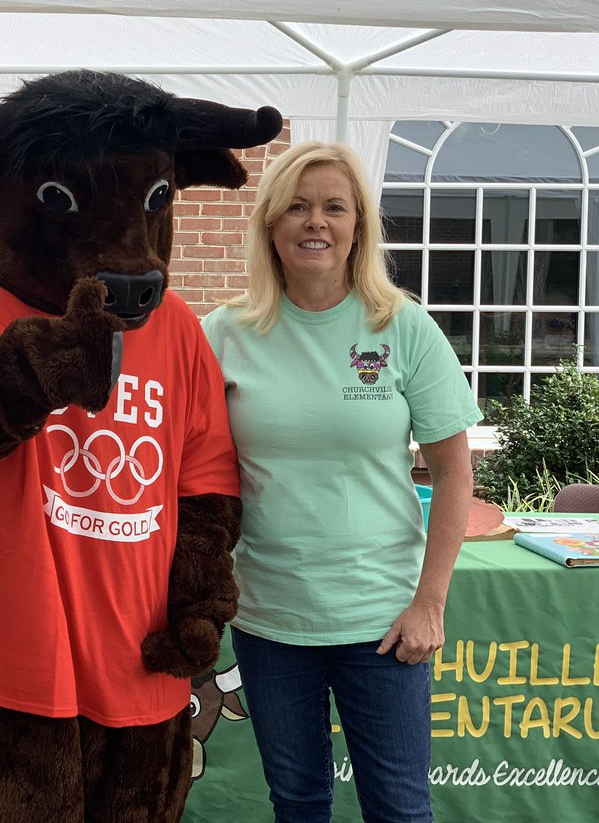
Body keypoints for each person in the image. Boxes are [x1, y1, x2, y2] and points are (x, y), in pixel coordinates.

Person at [202, 141, 481, 823]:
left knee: (399, 808)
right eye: (297, 207)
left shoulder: (403, 327)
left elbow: (454, 474)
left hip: (382, 620)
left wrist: (430, 603)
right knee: (297, 804)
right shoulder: (223, 334)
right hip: (271, 617)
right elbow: (188, 467)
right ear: (271, 223)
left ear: (359, 225)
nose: (315, 223)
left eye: (334, 207)